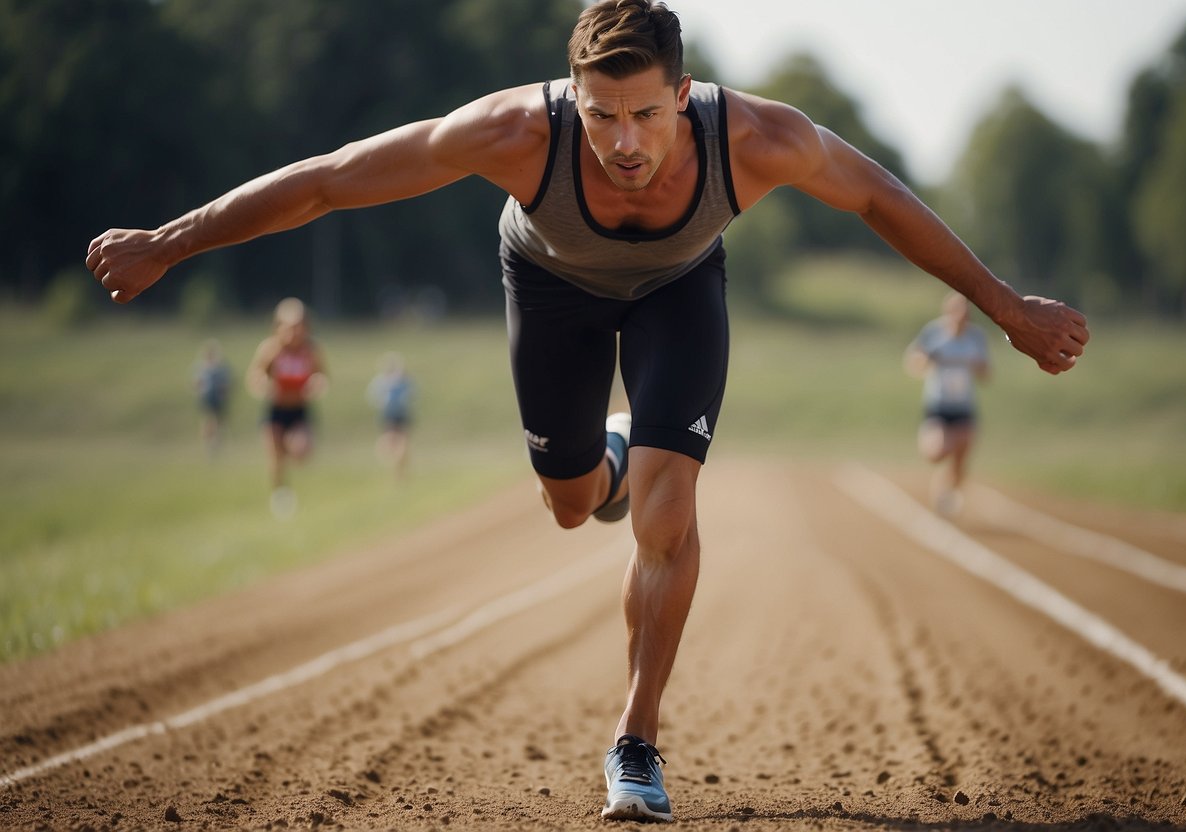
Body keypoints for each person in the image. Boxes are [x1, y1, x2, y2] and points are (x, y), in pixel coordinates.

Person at [85, 0, 1090, 820]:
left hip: (678, 294)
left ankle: (635, 740)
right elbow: (334, 181)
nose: (621, 141)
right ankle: (602, 460)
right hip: (551, 289)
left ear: (683, 96)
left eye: (645, 115)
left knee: (666, 514)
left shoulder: (755, 137)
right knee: (571, 503)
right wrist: (171, 242)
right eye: (600, 115)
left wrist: (1007, 310)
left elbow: (878, 198)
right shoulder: (516, 133)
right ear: (571, 99)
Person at [904, 292, 990, 516]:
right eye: (956, 312)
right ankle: (942, 474)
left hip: (964, 406)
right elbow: (913, 362)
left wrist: (977, 366)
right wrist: (926, 359)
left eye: (965, 313)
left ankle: (946, 493)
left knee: (962, 458)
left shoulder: (976, 337)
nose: (961, 317)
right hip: (938, 404)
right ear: (948, 313)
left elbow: (986, 374)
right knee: (937, 453)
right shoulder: (934, 333)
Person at [246, 297, 328, 517]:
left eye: (299, 326)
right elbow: (255, 375)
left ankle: (291, 453)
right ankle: (281, 496)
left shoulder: (311, 349)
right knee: (275, 458)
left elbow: (322, 375)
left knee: (301, 450)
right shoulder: (271, 349)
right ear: (278, 327)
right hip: (275, 411)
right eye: (290, 327)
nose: (295, 333)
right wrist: (265, 386)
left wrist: (317, 384)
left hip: (299, 411)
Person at [367, 351, 415, 479]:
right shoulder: (381, 381)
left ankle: (400, 470)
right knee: (390, 441)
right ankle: (394, 463)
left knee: (403, 444)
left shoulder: (403, 381)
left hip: (401, 414)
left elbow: (410, 395)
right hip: (388, 415)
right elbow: (374, 397)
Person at [193, 338, 232, 458]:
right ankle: (209, 445)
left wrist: (224, 394)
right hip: (207, 398)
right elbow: (197, 384)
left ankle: (216, 444)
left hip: (218, 399)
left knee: (218, 422)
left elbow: (226, 384)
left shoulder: (220, 368)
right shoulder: (201, 367)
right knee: (208, 422)